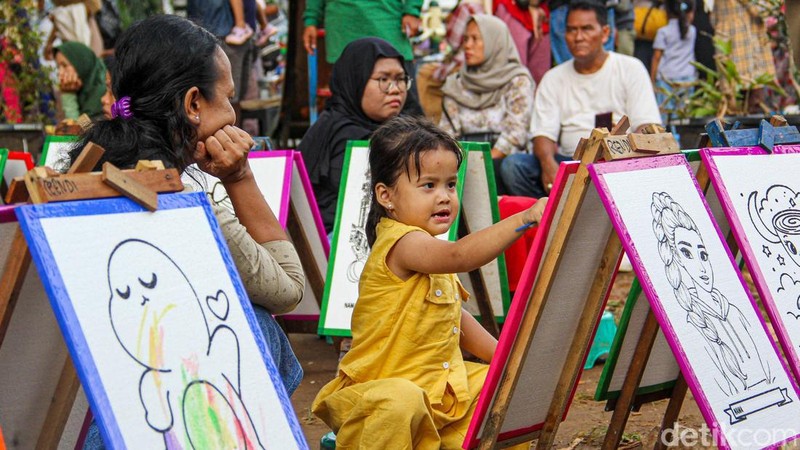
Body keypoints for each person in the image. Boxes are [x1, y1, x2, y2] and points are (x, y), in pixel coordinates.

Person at [73, 14, 304, 447]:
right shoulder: (178, 198)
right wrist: (240, 179)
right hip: (140, 419)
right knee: (258, 324)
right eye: (229, 99)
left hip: (73, 409)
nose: (234, 115)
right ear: (193, 104)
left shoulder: (86, 167)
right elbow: (289, 288)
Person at [311, 115, 546, 449]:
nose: (445, 196)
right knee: (402, 400)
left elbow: (454, 318)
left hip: (439, 390)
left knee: (504, 389)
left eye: (450, 184)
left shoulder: (428, 248)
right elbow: (459, 256)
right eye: (428, 185)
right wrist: (524, 218)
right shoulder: (403, 243)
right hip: (379, 395)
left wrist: (505, 358)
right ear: (386, 196)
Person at [501, 0, 661, 198]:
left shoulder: (630, 68)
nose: (578, 37)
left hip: (617, 163)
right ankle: (548, 217)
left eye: (586, 29)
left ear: (605, 33)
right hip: (570, 164)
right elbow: (543, 134)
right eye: (571, 30)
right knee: (514, 166)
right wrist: (548, 164)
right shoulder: (553, 78)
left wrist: (625, 151)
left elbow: (646, 125)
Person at [651, 192, 771, 395]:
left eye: (703, 254)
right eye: (687, 253)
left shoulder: (734, 311)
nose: (702, 266)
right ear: (676, 260)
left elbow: (769, 367)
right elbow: (723, 391)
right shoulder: (692, 321)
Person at [297, 38, 413, 234]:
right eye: (383, 80)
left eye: (401, 79)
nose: (395, 89)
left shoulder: (392, 130)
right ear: (355, 80)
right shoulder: (347, 136)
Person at [439, 14, 534, 195]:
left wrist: (480, 164)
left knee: (506, 168)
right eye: (466, 39)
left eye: (476, 39)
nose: (467, 45)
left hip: (501, 162)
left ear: (495, 42)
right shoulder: (455, 84)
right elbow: (446, 135)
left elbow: (516, 134)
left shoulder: (517, 80)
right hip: (462, 162)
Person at [302, 0, 424, 115]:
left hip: (387, 25)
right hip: (343, 30)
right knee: (346, 112)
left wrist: (412, 11)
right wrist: (311, 20)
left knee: (408, 114)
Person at [651, 0, 696, 124]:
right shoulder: (691, 31)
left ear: (667, 11)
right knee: (683, 117)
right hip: (687, 78)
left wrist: (652, 80)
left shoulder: (663, 32)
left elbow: (656, 57)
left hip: (666, 79)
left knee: (664, 117)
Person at [54, 41, 107, 121]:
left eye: (64, 65)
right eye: (58, 67)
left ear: (81, 64)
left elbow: (77, 130)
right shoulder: (77, 90)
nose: (60, 73)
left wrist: (68, 96)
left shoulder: (102, 93)